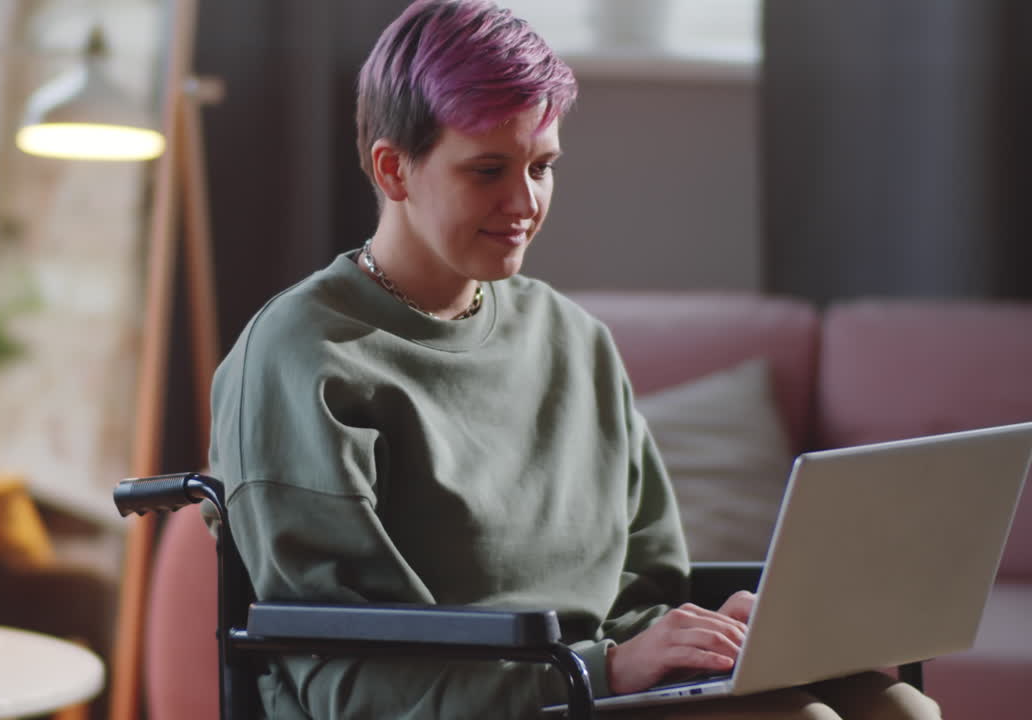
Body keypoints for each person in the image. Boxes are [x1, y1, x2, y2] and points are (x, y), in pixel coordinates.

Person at [206, 1, 941, 717]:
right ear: (394, 170)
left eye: (542, 166)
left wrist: (713, 636)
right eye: (487, 170)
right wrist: (607, 669)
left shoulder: (573, 338)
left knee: (899, 707)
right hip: (482, 702)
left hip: (590, 687)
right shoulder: (303, 358)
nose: (525, 202)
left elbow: (641, 590)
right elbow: (351, 684)